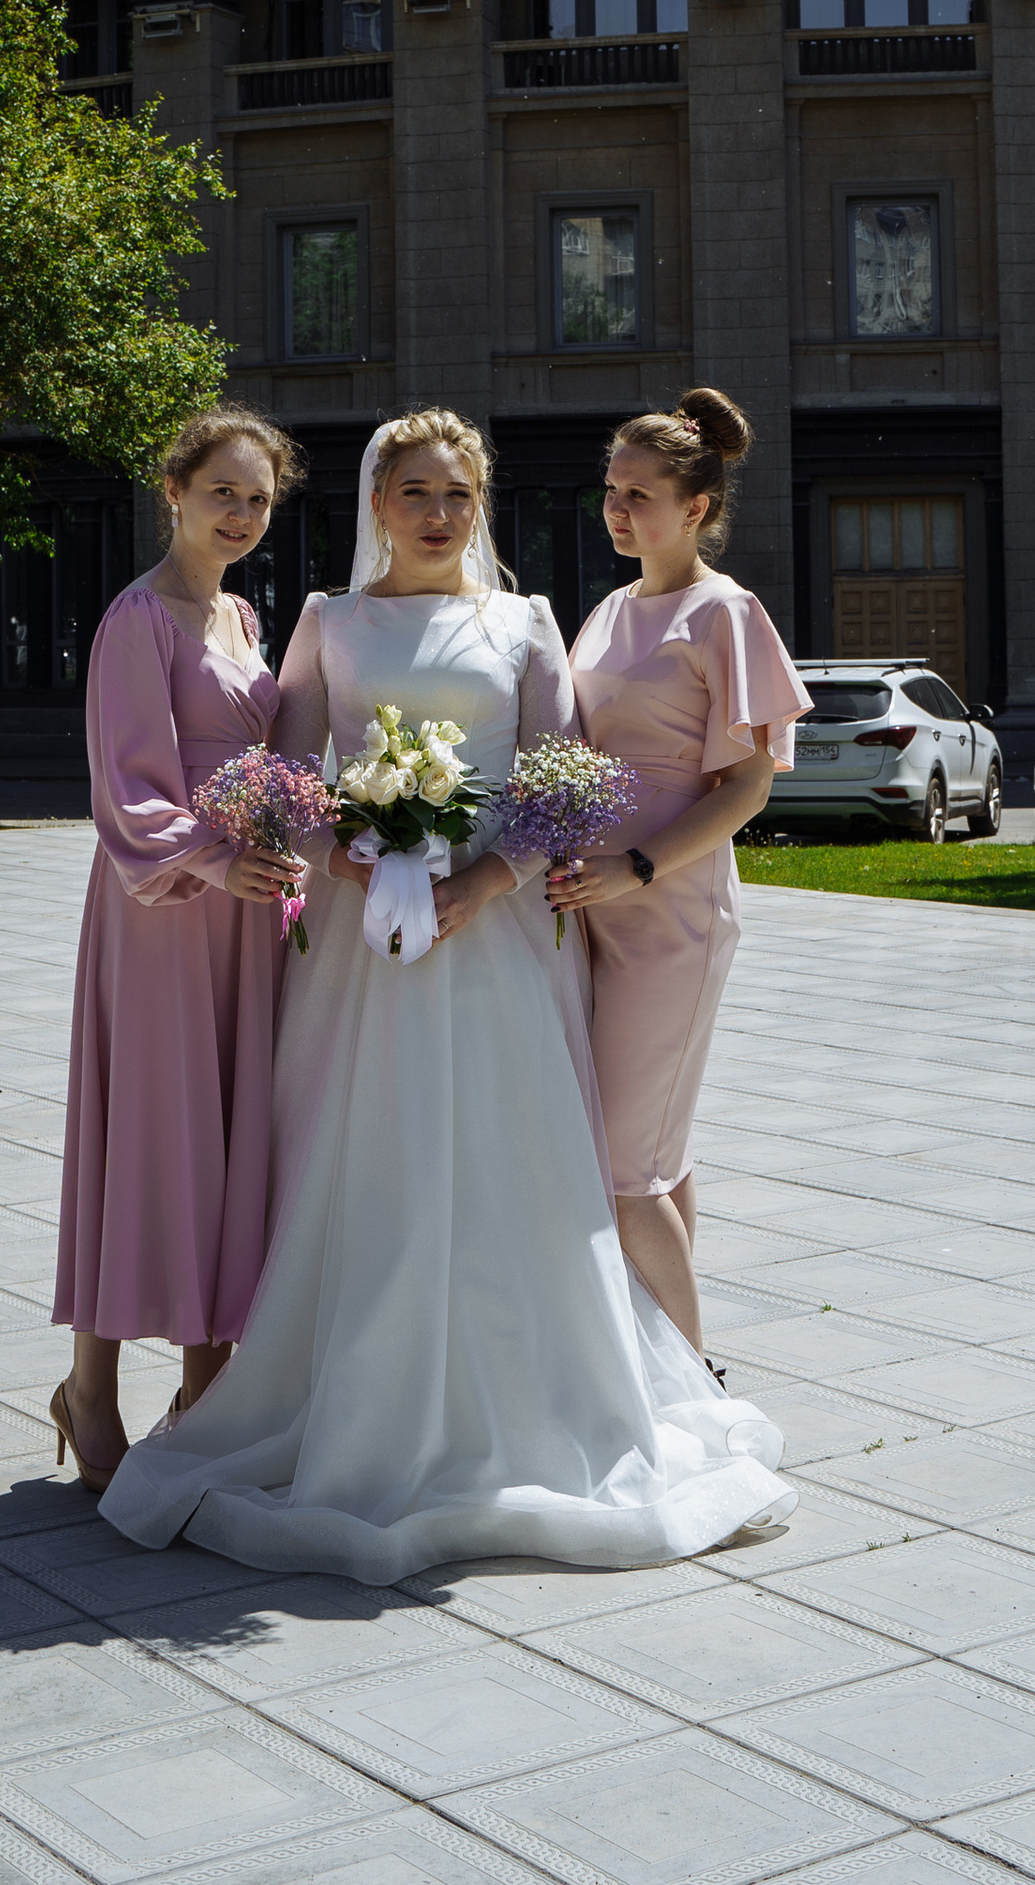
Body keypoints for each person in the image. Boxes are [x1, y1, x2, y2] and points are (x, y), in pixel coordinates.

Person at [101, 407, 788, 1582]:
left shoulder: (524, 622)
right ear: (378, 505)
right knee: (364, 1151)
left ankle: (536, 1391)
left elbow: (555, 777)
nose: (436, 514)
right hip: (358, 934)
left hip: (500, 930)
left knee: (515, 1154)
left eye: (456, 496)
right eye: (414, 493)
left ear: (480, 506)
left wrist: (485, 876)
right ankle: (337, 1389)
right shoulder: (327, 620)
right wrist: (348, 861)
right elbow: (291, 771)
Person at [51, 408, 310, 1489]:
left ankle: (210, 1388)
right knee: (149, 1137)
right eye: (223, 493)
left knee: (231, 1138)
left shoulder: (245, 621)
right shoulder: (137, 620)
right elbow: (128, 795)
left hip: (248, 913)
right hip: (161, 914)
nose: (241, 515)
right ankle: (90, 1388)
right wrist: (213, 860)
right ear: (173, 491)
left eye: (257, 498)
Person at [548, 391, 813, 1358]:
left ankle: (697, 1389)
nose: (618, 511)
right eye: (612, 491)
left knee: (622, 1165)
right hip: (590, 910)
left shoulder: (727, 612)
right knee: (656, 1149)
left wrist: (640, 864)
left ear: (696, 506)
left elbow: (748, 788)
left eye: (641, 494)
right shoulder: (611, 610)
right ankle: (661, 1361)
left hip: (674, 913)